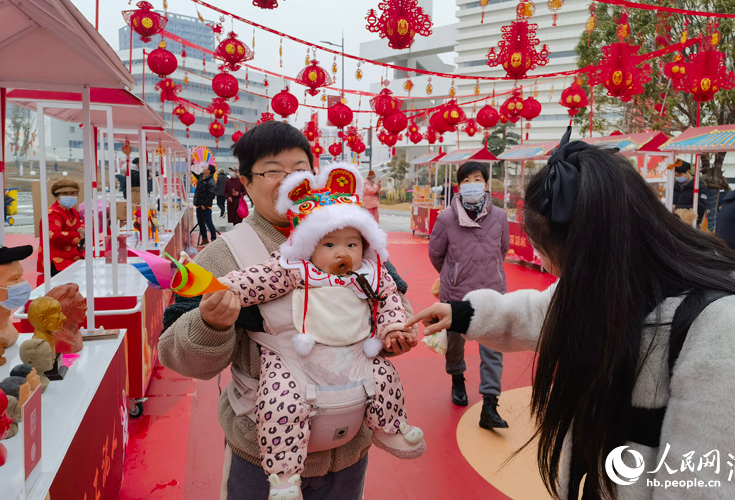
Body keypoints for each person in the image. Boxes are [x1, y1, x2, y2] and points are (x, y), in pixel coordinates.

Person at [407, 128, 735, 500]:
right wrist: (461, 313)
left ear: (587, 248)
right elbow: (544, 311)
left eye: (549, 259)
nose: (547, 270)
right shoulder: (614, 280)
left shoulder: (734, 344)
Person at [158, 121, 416, 500]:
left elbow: (392, 298)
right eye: (272, 171)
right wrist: (210, 324)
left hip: (350, 449)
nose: (287, 179)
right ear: (244, 181)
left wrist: (394, 334)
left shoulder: (353, 236)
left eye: (298, 169)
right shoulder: (223, 256)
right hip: (261, 458)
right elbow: (179, 356)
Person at [218, 163, 424, 498]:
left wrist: (393, 329)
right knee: (281, 402)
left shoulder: (372, 274)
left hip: (354, 354)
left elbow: (388, 303)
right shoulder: (296, 268)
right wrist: (229, 288)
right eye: (329, 245)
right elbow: (260, 279)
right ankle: (284, 477)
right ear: (310, 246)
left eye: (352, 244)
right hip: (296, 359)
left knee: (384, 376)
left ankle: (390, 427)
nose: (342, 252)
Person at [427, 161, 510, 429]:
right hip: (456, 294)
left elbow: (503, 249)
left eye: (477, 179)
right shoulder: (446, 218)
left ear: (485, 184)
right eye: (466, 180)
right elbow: (436, 254)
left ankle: (490, 403)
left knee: (493, 348)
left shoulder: (499, 216)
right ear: (459, 186)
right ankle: (457, 379)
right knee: (455, 345)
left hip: (492, 293)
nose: (472, 184)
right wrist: (454, 275)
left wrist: (490, 272)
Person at [37, 178, 84, 279]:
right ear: (57, 195)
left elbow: (79, 225)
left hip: (73, 257)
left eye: (73, 193)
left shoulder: (73, 211)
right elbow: (53, 235)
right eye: (65, 193)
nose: (70, 196)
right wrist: (78, 235)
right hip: (57, 261)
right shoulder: (52, 213)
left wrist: (81, 229)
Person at [671, 159, 708, 226]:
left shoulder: (699, 187)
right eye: (676, 176)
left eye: (680, 174)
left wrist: (677, 208)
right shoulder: (674, 186)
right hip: (674, 223)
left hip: (690, 224)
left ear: (688, 171)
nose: (678, 177)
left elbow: (700, 208)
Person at [193, 163, 218, 246]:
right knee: (200, 223)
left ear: (208, 171)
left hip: (205, 206)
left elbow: (211, 194)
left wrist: (205, 204)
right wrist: (192, 163)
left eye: (205, 168)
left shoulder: (211, 181)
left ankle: (214, 239)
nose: (203, 168)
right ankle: (204, 239)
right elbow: (195, 173)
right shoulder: (201, 176)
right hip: (198, 204)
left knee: (208, 222)